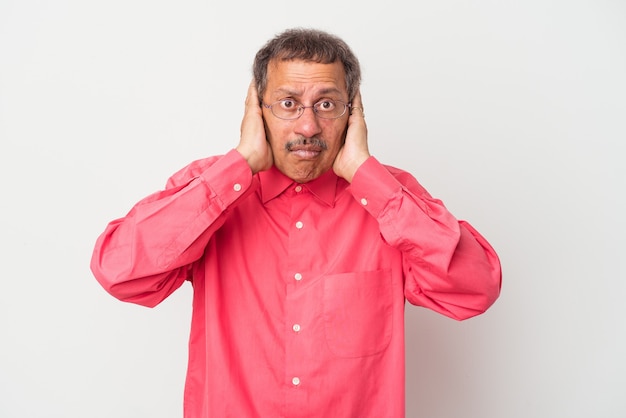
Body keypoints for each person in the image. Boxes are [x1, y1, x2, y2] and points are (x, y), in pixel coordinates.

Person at [90, 27, 501, 418]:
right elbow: (121, 271)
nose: (308, 127)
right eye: (288, 103)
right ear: (257, 109)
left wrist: (366, 175)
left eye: (326, 104)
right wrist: (238, 166)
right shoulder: (209, 190)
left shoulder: (391, 198)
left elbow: (474, 289)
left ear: (353, 111)